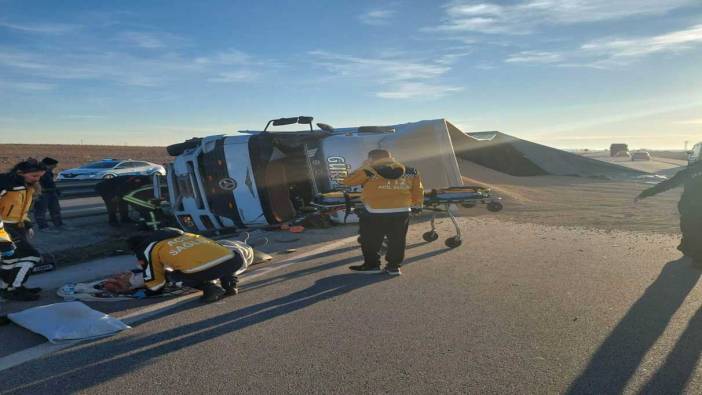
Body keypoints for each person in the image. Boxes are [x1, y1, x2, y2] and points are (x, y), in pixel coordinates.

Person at [104, 228, 249, 303]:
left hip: (206, 270)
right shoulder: (188, 235)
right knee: (220, 260)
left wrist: (150, 292)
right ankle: (230, 285)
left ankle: (211, 289)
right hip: (235, 260)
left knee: (172, 274)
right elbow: (216, 249)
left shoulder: (148, 249)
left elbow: (155, 277)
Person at [342, 149, 423, 275]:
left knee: (370, 239)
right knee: (398, 239)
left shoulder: (368, 170)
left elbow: (347, 181)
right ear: (391, 157)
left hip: (374, 211)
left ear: (371, 159)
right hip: (401, 210)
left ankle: (372, 265)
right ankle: (394, 267)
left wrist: (365, 165)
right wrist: (417, 204)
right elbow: (418, 190)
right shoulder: (411, 171)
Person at [636, 159, 702, 265]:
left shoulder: (689, 171)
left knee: (692, 230)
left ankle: (697, 258)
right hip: (690, 208)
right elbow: (668, 184)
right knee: (690, 229)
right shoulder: (689, 172)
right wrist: (646, 193)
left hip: (690, 208)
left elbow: (668, 184)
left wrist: (646, 193)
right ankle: (688, 249)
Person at [0, 159, 47, 301]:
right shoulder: (7, 184)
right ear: (20, 173)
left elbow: (20, 210)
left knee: (11, 259)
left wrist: (28, 225)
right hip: (4, 228)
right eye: (34, 176)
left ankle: (7, 289)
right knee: (31, 255)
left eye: (40, 176)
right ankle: (15, 288)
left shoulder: (26, 186)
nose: (37, 179)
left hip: (16, 226)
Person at [33, 157, 64, 232]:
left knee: (55, 209)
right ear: (48, 165)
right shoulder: (39, 172)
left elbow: (50, 183)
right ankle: (43, 227)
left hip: (51, 192)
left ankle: (59, 224)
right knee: (41, 211)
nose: (55, 167)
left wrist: (55, 190)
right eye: (54, 165)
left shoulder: (48, 172)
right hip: (42, 193)